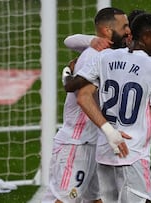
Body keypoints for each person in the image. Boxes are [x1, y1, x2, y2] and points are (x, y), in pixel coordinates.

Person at [75, 13, 151, 203]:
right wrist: (143, 148)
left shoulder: (106, 57)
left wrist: (108, 131)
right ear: (146, 37)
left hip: (104, 150)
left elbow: (82, 96)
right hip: (132, 155)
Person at [42, 7, 131, 203]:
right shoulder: (95, 56)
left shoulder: (104, 52)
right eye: (124, 26)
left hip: (91, 143)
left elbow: (69, 40)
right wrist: (109, 131)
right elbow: (80, 95)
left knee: (96, 199)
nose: (128, 31)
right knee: (65, 199)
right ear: (108, 31)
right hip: (77, 144)